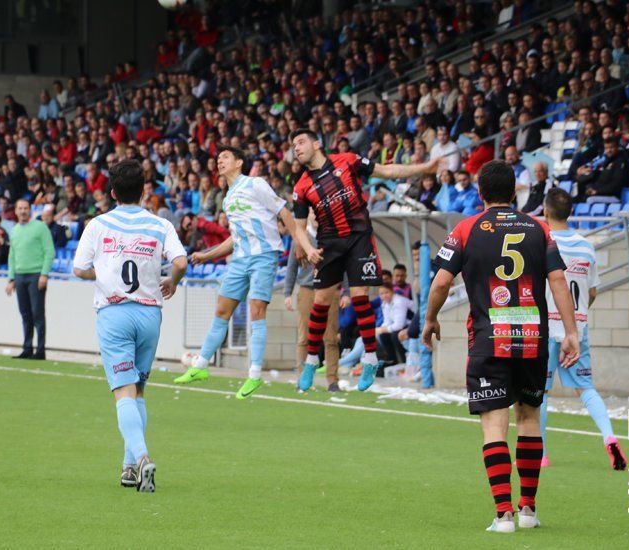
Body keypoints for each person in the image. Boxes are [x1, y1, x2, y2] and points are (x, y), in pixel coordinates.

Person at [422, 160, 580, 533]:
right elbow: (558, 279)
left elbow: (442, 283)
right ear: (515, 192)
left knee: (495, 425)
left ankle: (503, 514)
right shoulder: (539, 228)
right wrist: (571, 331)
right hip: (531, 337)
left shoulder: (466, 228)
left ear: (479, 193)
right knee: (528, 419)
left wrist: (429, 319)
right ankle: (528, 510)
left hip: (488, 337)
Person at [289, 128, 442, 392]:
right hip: (329, 244)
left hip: (359, 238)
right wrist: (308, 248)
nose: (296, 148)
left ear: (317, 144)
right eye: (293, 145)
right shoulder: (301, 186)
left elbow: (387, 171)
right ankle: (312, 361)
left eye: (301, 142)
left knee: (360, 295)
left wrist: (424, 167)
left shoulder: (347, 160)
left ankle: (370, 357)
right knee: (321, 301)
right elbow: (299, 228)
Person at [72, 159, 187, 492]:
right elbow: (180, 261)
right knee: (138, 390)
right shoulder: (159, 224)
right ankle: (127, 467)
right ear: (144, 191)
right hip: (150, 315)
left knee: (122, 391)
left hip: (115, 314)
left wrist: (103, 273)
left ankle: (142, 459)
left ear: (112, 192)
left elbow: (79, 269)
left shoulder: (98, 224)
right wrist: (173, 281)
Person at [175, 147, 296, 399]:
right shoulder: (228, 198)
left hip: (264, 254)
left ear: (239, 162)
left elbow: (283, 212)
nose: (220, 161)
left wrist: (301, 244)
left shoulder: (255, 184)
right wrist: (207, 255)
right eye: (218, 159)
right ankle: (200, 366)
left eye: (225, 157)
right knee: (222, 310)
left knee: (256, 310)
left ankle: (254, 375)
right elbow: (235, 238)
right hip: (240, 258)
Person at [538, 189, 627, 471]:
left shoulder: (543, 243)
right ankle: (609, 436)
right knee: (586, 389)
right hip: (577, 329)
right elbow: (592, 292)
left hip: (547, 326)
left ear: (546, 211)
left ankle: (541, 454)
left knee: (539, 392)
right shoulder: (586, 246)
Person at [284, 225, 341, 392]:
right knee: (304, 337)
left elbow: (343, 264)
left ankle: (332, 381)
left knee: (330, 337)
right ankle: (302, 378)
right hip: (307, 289)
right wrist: (288, 293)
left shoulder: (334, 236)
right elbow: (292, 266)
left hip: (330, 289)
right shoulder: (301, 238)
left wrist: (346, 292)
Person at [6, 199, 55, 360]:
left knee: (37, 314)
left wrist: (44, 274)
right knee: (25, 314)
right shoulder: (14, 230)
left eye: (25, 208)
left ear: (30, 210)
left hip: (36, 275)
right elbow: (12, 256)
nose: (23, 211)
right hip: (20, 276)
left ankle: (40, 350)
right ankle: (27, 347)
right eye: (20, 208)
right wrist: (11, 278)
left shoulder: (40, 227)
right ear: (15, 210)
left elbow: (49, 251)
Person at [377, 283, 415, 366]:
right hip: (403, 325)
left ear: (392, 292)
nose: (384, 296)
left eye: (386, 292)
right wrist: (380, 329)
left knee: (395, 335)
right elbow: (387, 322)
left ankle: (405, 361)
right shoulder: (385, 304)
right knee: (383, 335)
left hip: (413, 324)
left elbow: (399, 325)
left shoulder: (399, 301)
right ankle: (392, 361)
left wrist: (381, 329)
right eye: (381, 294)